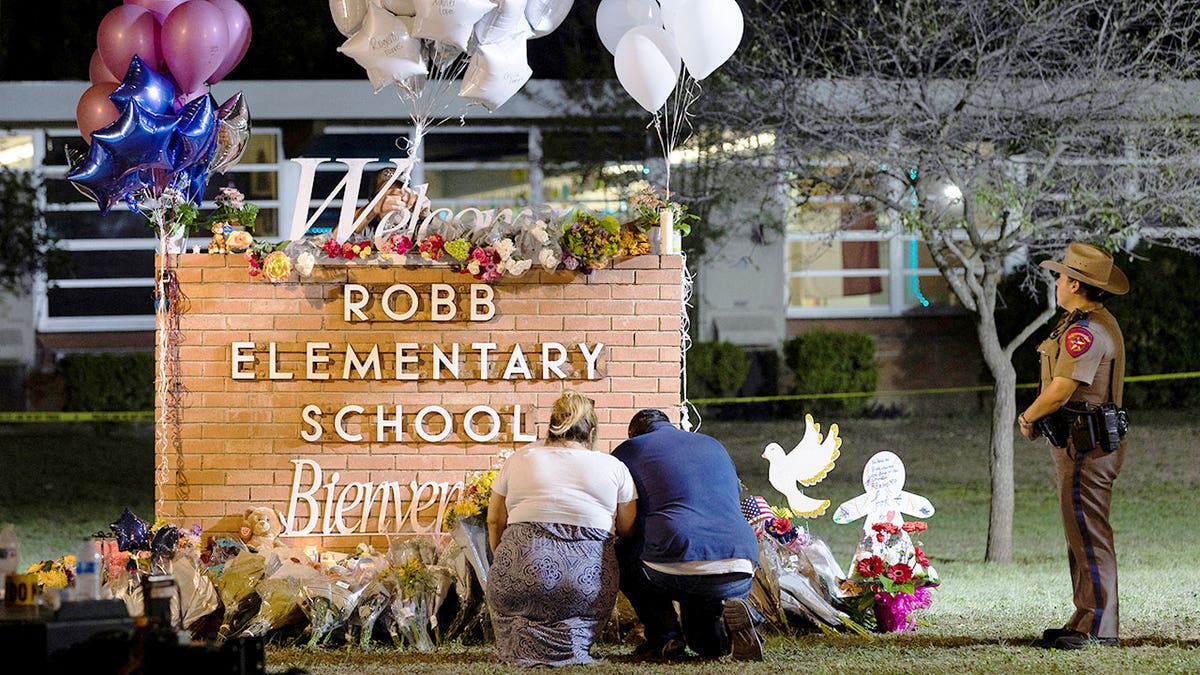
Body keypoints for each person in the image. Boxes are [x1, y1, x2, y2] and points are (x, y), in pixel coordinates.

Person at [1018, 242, 1129, 650]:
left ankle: (1100, 627)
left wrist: (1028, 416)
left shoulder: (1086, 331)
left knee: (1089, 532)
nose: (1057, 282)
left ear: (1077, 284)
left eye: (1062, 277)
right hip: (1080, 444)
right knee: (1080, 533)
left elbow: (1062, 389)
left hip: (1088, 446)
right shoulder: (1080, 322)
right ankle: (1085, 618)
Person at [485, 391, 638, 667]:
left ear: (551, 426)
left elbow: (494, 520)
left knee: (518, 596)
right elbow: (628, 529)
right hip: (585, 581)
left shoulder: (520, 458)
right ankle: (572, 647)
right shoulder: (614, 467)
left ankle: (519, 649)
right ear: (591, 431)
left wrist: (502, 559)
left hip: (520, 573)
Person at [611, 409, 763, 661]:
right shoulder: (713, 444)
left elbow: (623, 513)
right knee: (707, 647)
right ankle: (734, 628)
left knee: (621, 550)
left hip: (676, 561)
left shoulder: (631, 449)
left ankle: (664, 637)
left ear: (633, 433)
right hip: (741, 562)